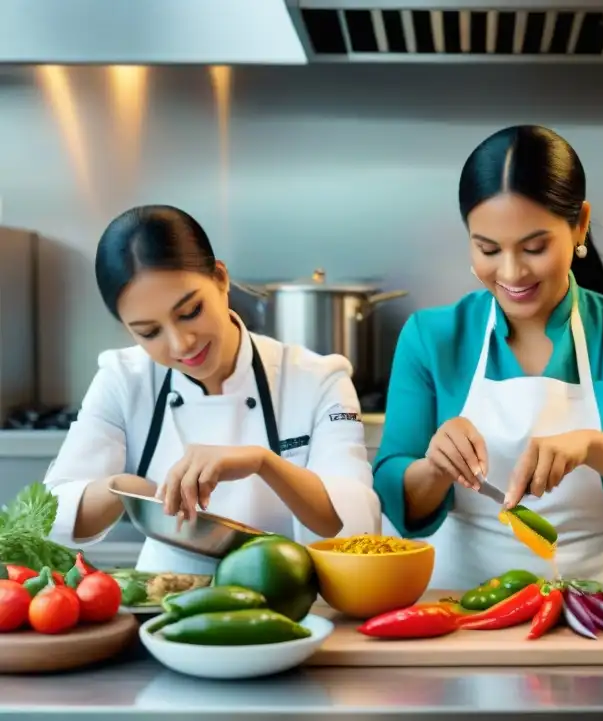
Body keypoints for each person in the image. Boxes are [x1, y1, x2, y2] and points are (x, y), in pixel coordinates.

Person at [372, 124, 603, 590]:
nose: (511, 273)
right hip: (463, 605)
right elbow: (395, 493)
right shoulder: (431, 337)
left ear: (580, 224)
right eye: (488, 249)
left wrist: (591, 446)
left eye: (534, 248)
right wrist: (434, 468)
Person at [45, 205, 381, 573]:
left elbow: (358, 523)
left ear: (221, 279)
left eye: (190, 311)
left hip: (290, 603)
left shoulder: (319, 379)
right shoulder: (122, 378)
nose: (181, 343)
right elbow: (52, 514)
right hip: (163, 604)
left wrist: (263, 462)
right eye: (149, 332)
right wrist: (127, 490)